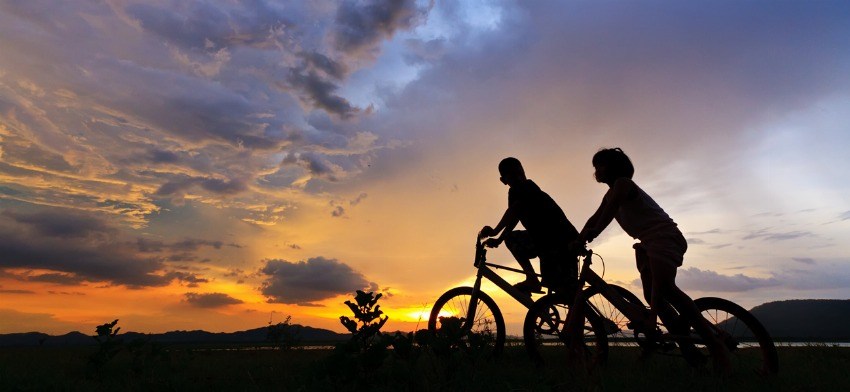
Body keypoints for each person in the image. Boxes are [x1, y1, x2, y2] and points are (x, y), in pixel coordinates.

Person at [577, 147, 730, 373]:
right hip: (649, 242)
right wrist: (578, 238)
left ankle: (716, 347)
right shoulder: (610, 193)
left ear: (614, 167)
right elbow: (595, 217)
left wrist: (593, 234)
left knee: (666, 288)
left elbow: (607, 215)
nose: (596, 171)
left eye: (600, 165)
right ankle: (688, 349)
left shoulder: (623, 184)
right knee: (652, 294)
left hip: (663, 237)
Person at [479, 157, 579, 295]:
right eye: (513, 174)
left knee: (567, 292)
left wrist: (496, 232)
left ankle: (532, 279)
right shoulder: (518, 191)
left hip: (559, 240)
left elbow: (513, 211)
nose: (518, 177)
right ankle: (532, 279)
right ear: (503, 181)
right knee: (562, 290)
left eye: (519, 173)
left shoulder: (527, 187)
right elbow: (514, 218)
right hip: (548, 241)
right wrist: (500, 239)